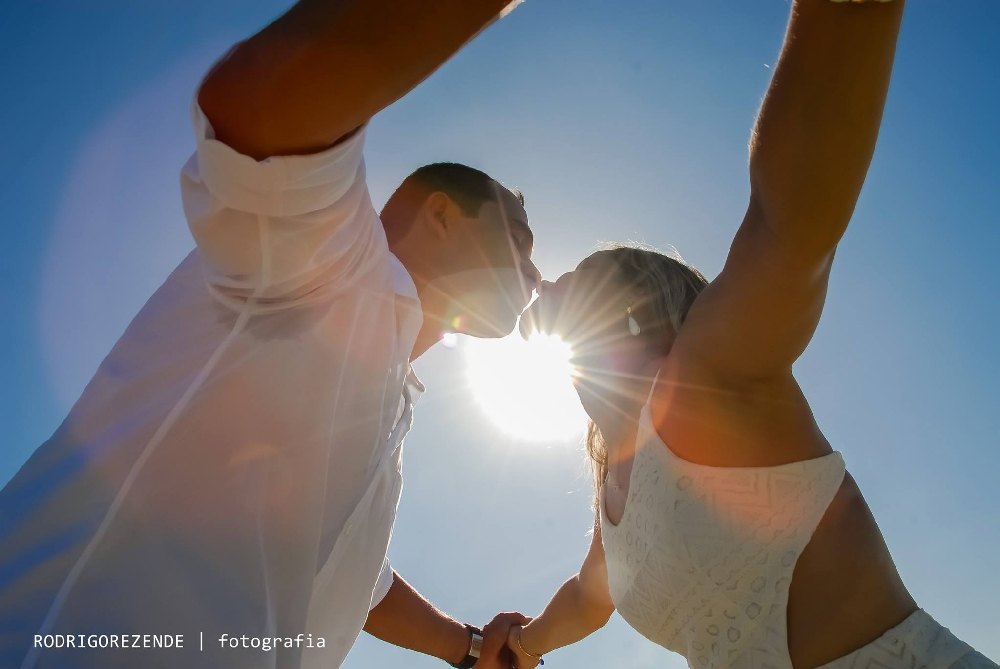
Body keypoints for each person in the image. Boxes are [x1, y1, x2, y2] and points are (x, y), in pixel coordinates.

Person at [0, 1, 536, 668]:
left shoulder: (392, 392)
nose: (536, 274)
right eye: (518, 239)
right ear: (442, 215)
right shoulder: (323, 260)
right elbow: (253, 109)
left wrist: (472, 647)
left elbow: (357, 579)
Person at [503, 1, 998, 668]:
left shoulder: (710, 374)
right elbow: (592, 596)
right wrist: (518, 647)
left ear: (633, 301)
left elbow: (787, 229)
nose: (550, 283)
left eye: (578, 274)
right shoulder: (612, 490)